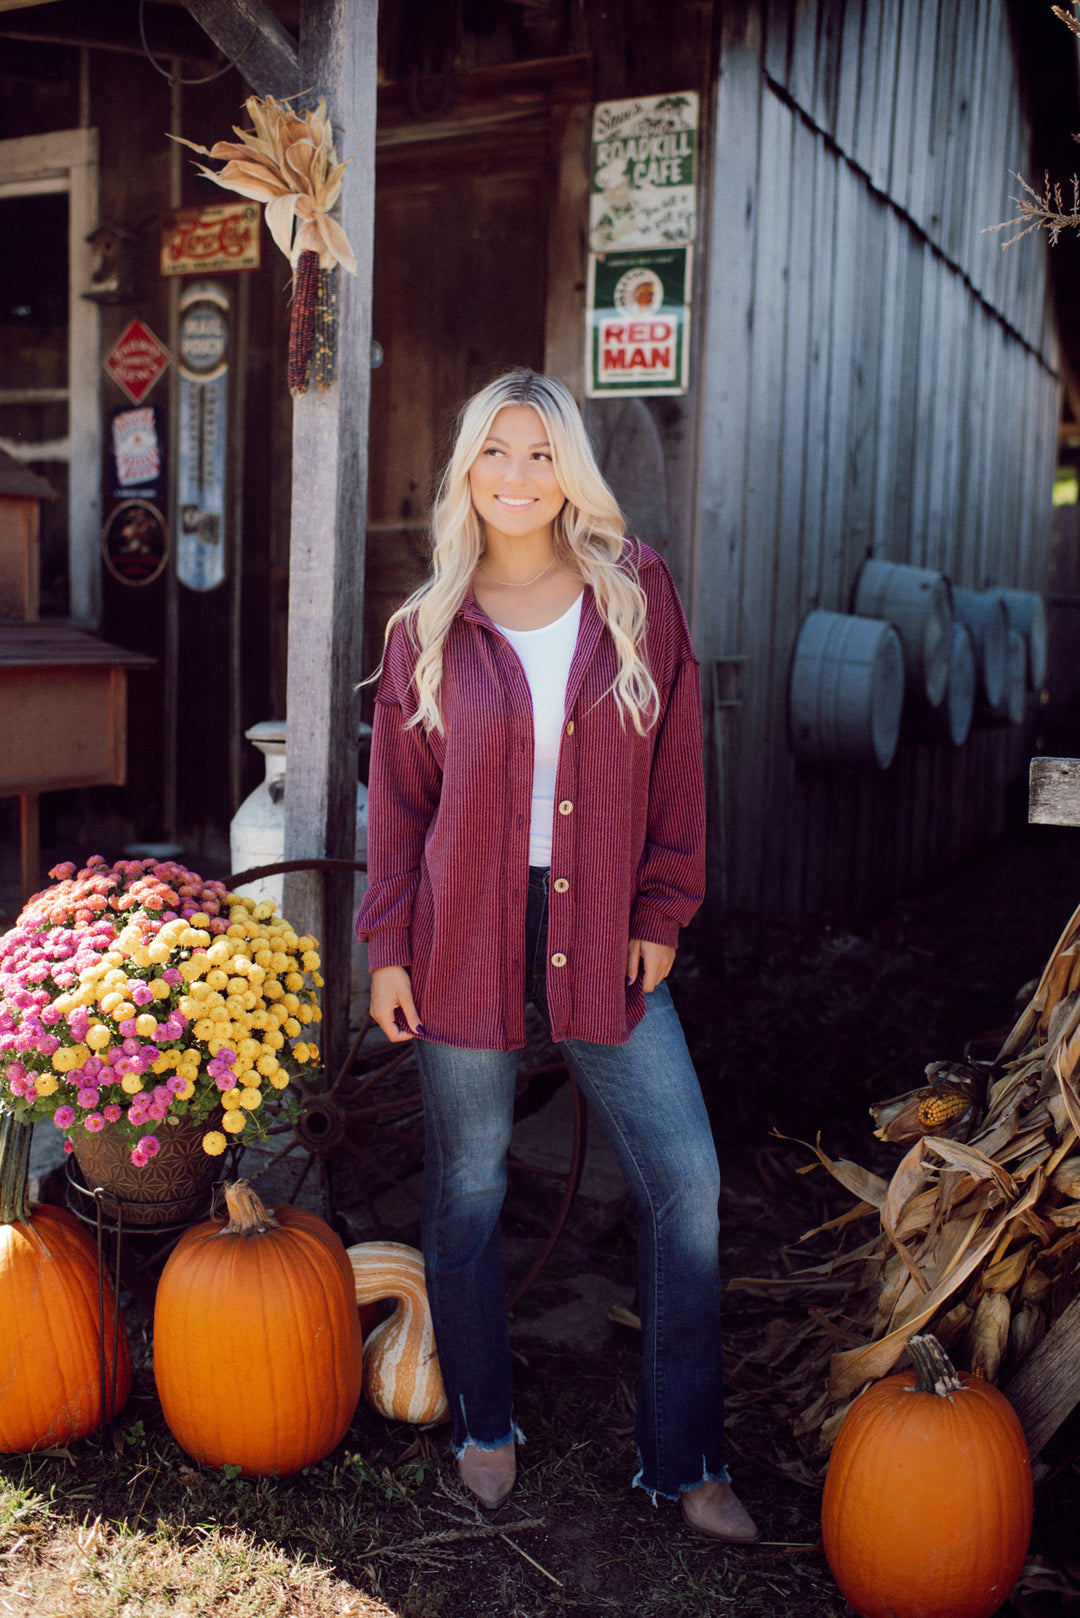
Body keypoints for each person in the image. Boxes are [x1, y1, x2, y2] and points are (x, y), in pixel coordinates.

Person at [355, 369, 758, 1544]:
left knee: (687, 1185)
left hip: (606, 933)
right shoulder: (426, 624)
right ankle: (485, 1422)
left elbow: (681, 766)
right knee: (469, 1183)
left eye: (541, 454)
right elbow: (398, 807)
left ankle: (685, 1458)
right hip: (461, 929)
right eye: (497, 453)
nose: (518, 477)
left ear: (568, 469)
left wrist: (664, 911)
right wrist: (386, 946)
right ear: (467, 471)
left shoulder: (636, 597)